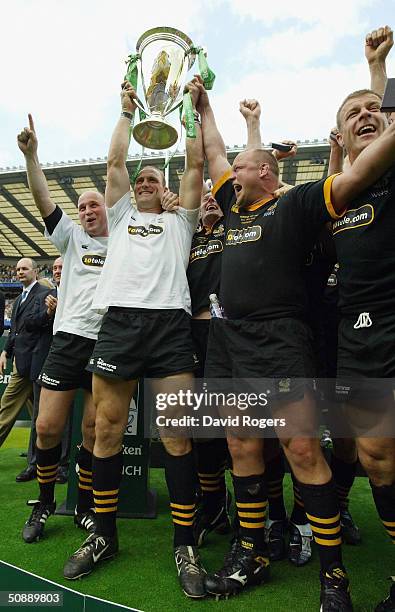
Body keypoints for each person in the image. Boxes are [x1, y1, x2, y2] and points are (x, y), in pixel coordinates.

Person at [195, 73, 395, 610]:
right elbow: (213, 149)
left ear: (265, 170)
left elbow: (358, 175)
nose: (227, 173)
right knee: (241, 444)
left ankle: (333, 577)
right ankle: (252, 551)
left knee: (302, 448)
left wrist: (385, 98)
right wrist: (203, 104)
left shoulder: (301, 202)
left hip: (283, 339)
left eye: (239, 167)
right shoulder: (233, 208)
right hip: (228, 341)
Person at [62, 79, 204, 598]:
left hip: (170, 325)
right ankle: (103, 534)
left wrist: (190, 110)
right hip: (119, 323)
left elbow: (193, 167)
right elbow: (116, 163)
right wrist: (125, 112)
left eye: (152, 178)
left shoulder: (181, 221)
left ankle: (184, 543)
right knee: (107, 431)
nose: (144, 181)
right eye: (140, 178)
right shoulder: (118, 216)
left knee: (176, 436)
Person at [16, 114, 108, 544]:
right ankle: (47, 500)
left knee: (92, 430)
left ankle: (85, 508)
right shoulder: (71, 237)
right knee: (47, 427)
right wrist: (33, 156)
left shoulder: (126, 237)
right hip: (68, 340)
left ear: (108, 208)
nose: (88, 210)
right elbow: (41, 198)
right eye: (83, 206)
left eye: (95, 204)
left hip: (107, 344)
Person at [332, 30, 395, 611]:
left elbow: (382, 130)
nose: (365, 116)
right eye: (352, 114)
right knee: (375, 455)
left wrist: (376, 70)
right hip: (359, 337)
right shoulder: (338, 197)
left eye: (373, 109)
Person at [15, 258, 71, 484]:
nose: (57, 271)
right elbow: (29, 325)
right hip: (43, 362)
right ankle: (34, 462)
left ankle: (63, 465)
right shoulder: (40, 297)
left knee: (67, 417)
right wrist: (48, 313)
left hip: (71, 362)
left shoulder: (80, 293)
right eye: (55, 268)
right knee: (39, 415)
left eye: (61, 267)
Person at [0, 258, 47, 448]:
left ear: (35, 272)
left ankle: (45, 458)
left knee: (6, 409)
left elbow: (41, 325)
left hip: (34, 364)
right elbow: (15, 331)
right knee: (39, 415)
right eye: (18, 269)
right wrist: (5, 352)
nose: (20, 272)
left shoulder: (45, 293)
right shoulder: (20, 298)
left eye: (25, 269)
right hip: (21, 362)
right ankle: (40, 457)